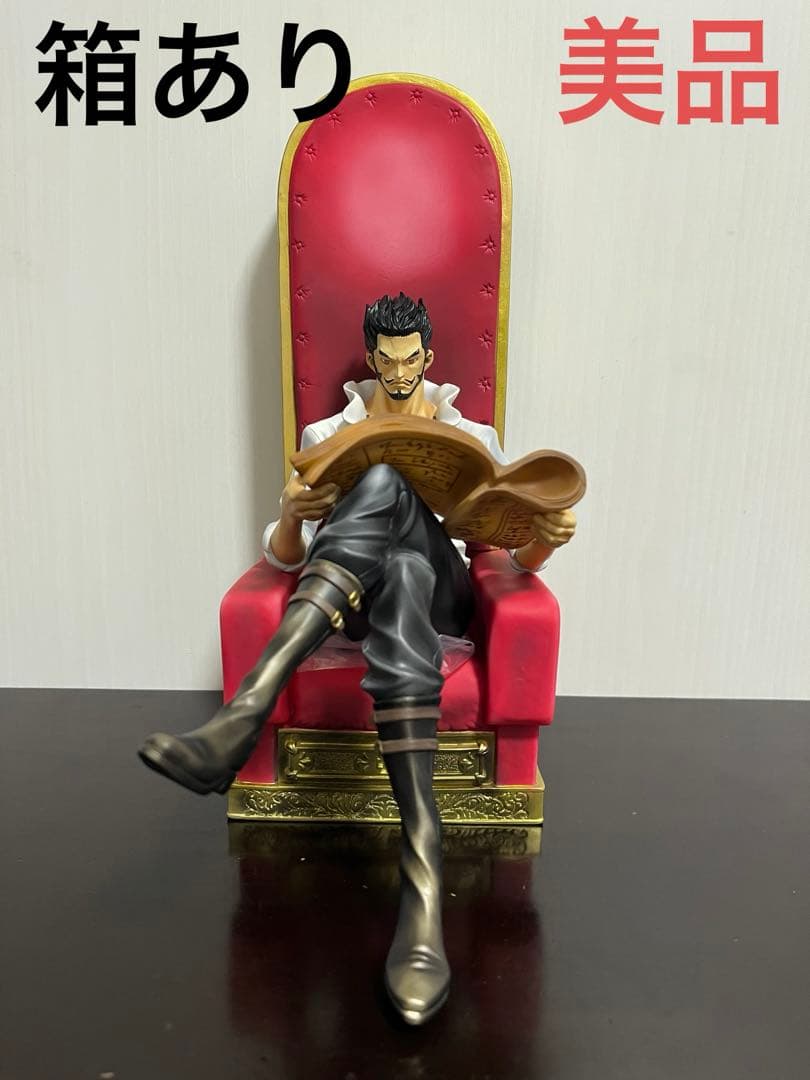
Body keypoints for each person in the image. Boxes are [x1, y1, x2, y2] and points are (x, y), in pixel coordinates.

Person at [140, 292, 576, 1025]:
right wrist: (290, 512)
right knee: (397, 563)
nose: (399, 373)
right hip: (366, 596)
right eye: (387, 360)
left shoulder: (472, 434)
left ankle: (243, 713)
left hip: (447, 600)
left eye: (411, 360)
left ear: (428, 357)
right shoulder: (327, 434)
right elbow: (285, 558)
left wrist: (545, 539)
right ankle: (423, 877)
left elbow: (506, 551)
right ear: (371, 357)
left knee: (387, 493)